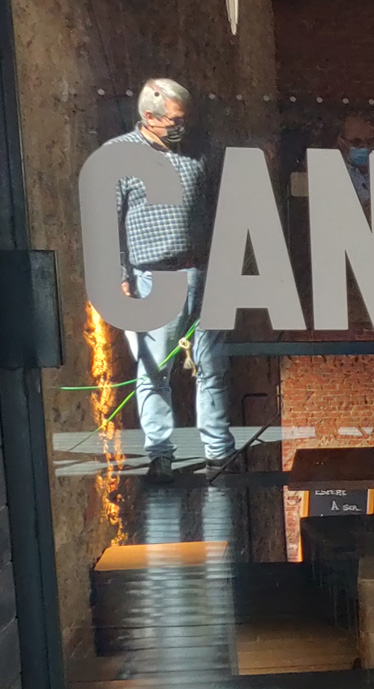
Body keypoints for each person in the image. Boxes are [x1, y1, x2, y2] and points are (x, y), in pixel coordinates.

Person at [109, 78, 231, 484]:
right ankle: (160, 455)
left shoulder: (198, 152)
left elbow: (215, 204)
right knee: (154, 371)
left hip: (202, 271)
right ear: (149, 116)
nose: (183, 127)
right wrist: (120, 277)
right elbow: (107, 222)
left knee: (212, 367)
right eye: (176, 120)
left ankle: (219, 451)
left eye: (185, 120)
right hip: (154, 278)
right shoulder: (120, 158)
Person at [336, 114, 374, 208]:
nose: (364, 146)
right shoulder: (333, 174)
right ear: (341, 142)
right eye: (357, 142)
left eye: (369, 142)